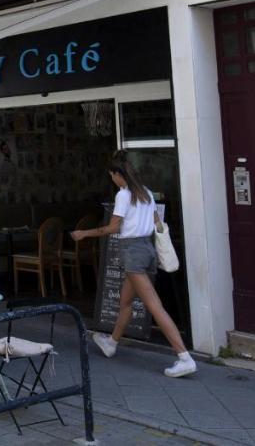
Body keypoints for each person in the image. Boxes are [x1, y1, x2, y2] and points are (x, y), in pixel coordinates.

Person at [71, 152, 196, 378]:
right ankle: (112, 342)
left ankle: (184, 356)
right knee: (126, 301)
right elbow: (157, 223)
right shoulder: (146, 193)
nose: (112, 179)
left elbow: (112, 228)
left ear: (119, 174)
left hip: (133, 252)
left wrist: (83, 234)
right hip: (147, 250)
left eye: (112, 175)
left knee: (154, 306)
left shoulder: (124, 195)